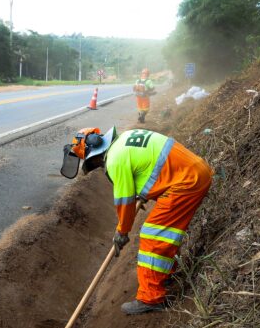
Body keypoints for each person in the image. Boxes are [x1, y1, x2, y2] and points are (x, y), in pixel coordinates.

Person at [60, 126, 213, 314]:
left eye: (96, 162)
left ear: (95, 154)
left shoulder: (115, 160)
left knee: (153, 236)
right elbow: (151, 167)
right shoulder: (125, 139)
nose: (99, 164)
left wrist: (122, 232)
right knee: (163, 234)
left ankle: (151, 298)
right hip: (195, 172)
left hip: (186, 183)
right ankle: (164, 274)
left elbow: (124, 202)